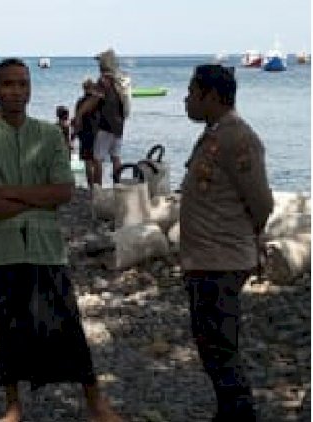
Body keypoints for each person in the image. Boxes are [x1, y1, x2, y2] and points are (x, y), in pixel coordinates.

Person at [0, 58, 122, 422]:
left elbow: (63, 191)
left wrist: (11, 193)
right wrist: (34, 196)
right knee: (10, 326)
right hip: (4, 249)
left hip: (46, 247)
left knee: (68, 323)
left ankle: (95, 401)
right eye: (8, 84)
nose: (16, 91)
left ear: (30, 89)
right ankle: (13, 404)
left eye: (22, 83)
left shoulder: (49, 136)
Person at [181, 64, 273, 422]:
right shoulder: (215, 133)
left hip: (221, 260)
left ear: (213, 96)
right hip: (205, 258)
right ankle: (229, 410)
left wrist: (244, 240)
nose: (186, 100)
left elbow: (261, 202)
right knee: (210, 343)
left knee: (220, 345)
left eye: (192, 93)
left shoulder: (238, 138)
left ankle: (239, 412)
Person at [77, 49, 130, 185]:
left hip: (106, 125)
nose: (98, 64)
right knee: (116, 157)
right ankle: (118, 185)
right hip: (119, 125)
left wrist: (80, 113)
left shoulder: (104, 80)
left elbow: (95, 99)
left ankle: (98, 188)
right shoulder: (120, 79)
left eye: (100, 61)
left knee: (97, 159)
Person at [74, 79, 101, 190]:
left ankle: (91, 187)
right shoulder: (98, 100)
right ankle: (99, 186)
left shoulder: (80, 101)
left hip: (85, 133)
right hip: (97, 132)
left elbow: (77, 118)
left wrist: (76, 133)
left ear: (84, 88)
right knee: (97, 161)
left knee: (88, 162)